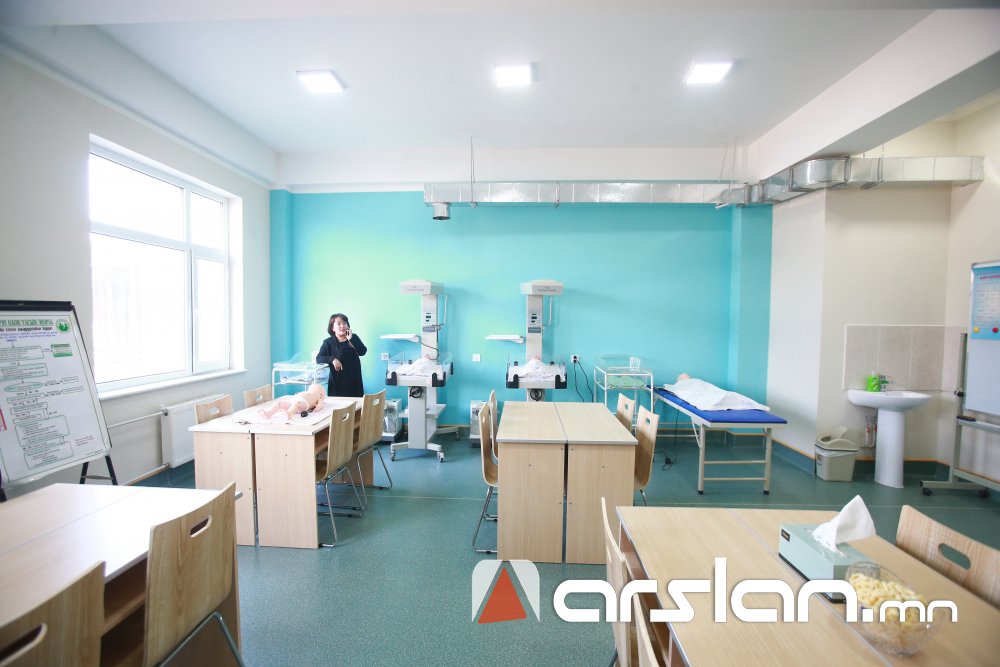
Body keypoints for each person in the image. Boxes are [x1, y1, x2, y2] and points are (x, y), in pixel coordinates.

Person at [316, 313, 367, 397]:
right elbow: (318, 359)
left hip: (355, 381)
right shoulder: (328, 342)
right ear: (332, 328)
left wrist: (351, 339)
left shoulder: (354, 337)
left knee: (356, 404)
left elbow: (363, 352)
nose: (342, 326)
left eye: (344, 323)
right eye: (339, 324)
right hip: (337, 383)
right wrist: (332, 359)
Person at [258, 383, 325, 420]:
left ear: (321, 394)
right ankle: (268, 413)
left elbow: (320, 405)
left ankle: (289, 413)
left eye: (316, 388)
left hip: (303, 403)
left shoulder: (319, 397)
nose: (312, 390)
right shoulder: (308, 392)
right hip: (294, 400)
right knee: (279, 404)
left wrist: (318, 407)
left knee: (296, 404)